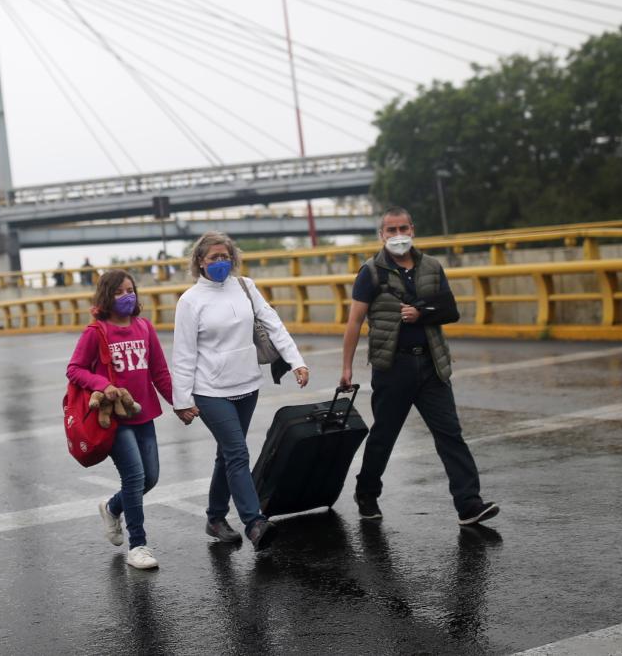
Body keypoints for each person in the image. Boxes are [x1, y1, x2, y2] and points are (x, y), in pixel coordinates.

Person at [341, 206, 499, 526]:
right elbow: (355, 321)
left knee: (450, 434)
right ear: (381, 235)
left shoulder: (432, 266)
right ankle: (367, 492)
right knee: (384, 436)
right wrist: (346, 368)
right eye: (391, 230)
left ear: (413, 229)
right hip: (392, 367)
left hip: (431, 366)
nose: (398, 235)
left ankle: (468, 503)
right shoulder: (371, 272)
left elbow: (450, 310)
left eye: (403, 228)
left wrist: (420, 313)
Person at [171, 231, 310, 551]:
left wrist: (296, 361)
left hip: (247, 384)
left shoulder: (245, 287)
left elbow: (272, 323)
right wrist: (182, 400)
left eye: (225, 256)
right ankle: (254, 522)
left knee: (227, 453)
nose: (220, 262)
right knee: (237, 453)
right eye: (213, 258)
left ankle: (215, 517)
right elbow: (183, 354)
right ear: (199, 263)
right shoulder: (190, 301)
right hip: (210, 390)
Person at [66, 269, 174, 570]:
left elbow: (160, 373)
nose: (128, 296)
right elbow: (74, 369)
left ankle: (112, 507)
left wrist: (180, 404)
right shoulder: (96, 332)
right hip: (113, 418)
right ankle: (137, 545)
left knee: (150, 478)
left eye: (131, 290)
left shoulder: (144, 327)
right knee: (135, 476)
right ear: (106, 297)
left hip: (144, 413)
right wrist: (103, 386)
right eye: (120, 292)